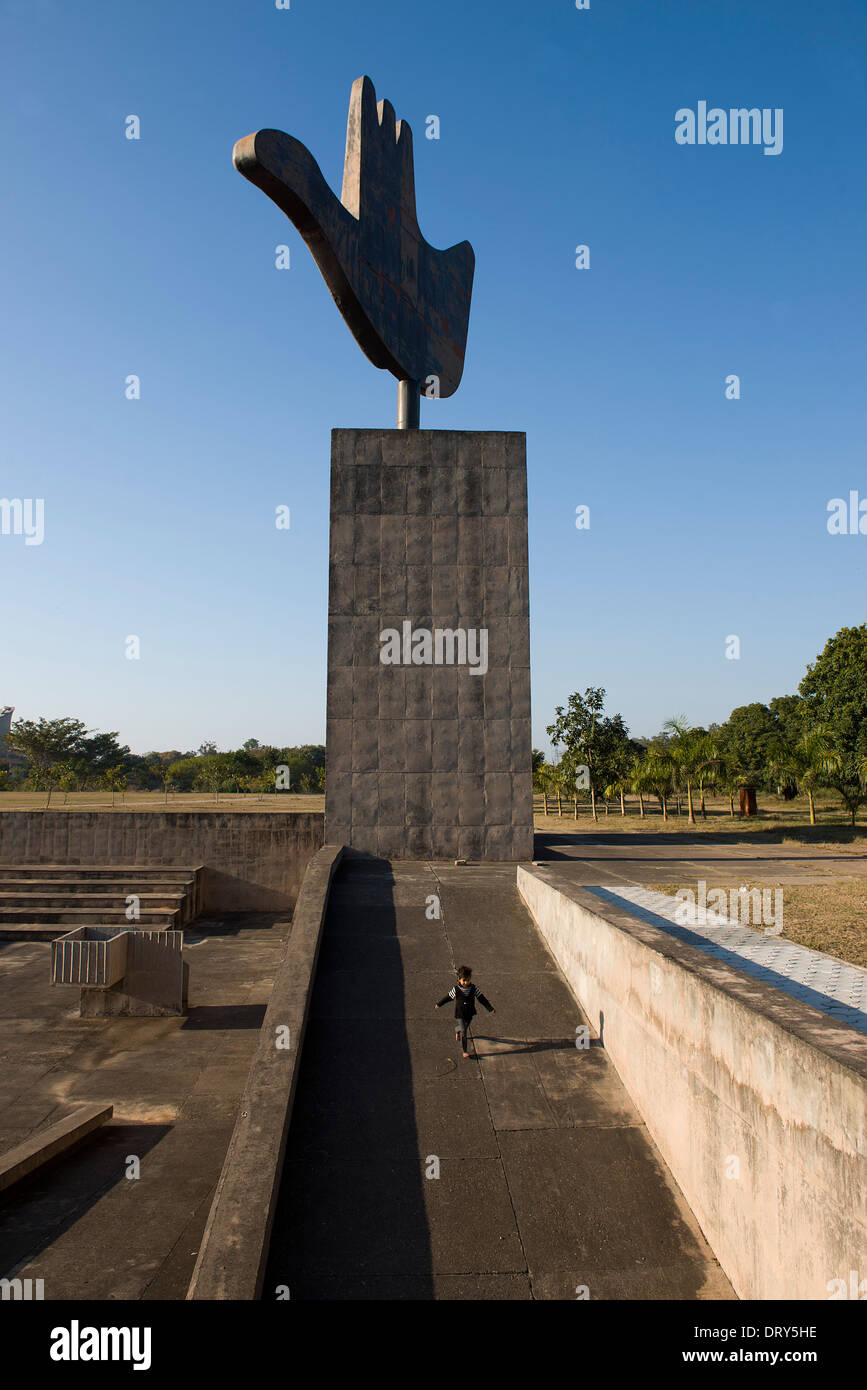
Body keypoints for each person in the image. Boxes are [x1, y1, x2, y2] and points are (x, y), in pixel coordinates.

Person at [434, 965, 495, 1059]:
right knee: (464, 1032)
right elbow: (448, 998)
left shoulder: (474, 989)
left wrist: (490, 1008)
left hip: (469, 1013)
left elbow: (482, 999)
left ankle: (456, 1030)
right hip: (460, 1013)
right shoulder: (456, 990)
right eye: (464, 980)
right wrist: (439, 1004)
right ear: (458, 979)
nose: (466, 982)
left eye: (468, 980)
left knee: (464, 1028)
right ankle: (465, 1051)